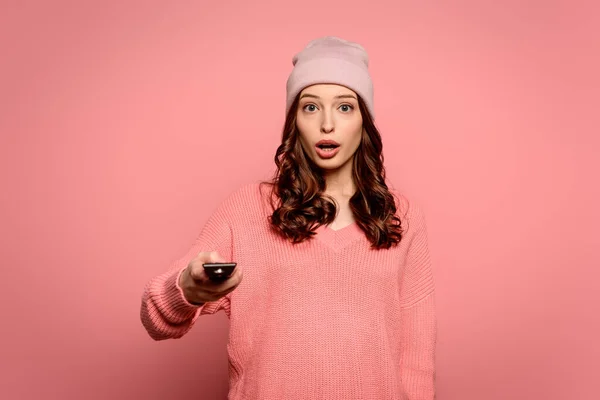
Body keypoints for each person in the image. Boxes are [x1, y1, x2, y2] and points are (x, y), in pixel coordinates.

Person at [140, 36, 437, 399]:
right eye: (311, 108)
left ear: (365, 120)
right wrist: (187, 289)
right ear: (294, 120)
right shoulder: (247, 208)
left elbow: (416, 363)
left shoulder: (403, 216)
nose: (327, 124)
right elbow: (155, 318)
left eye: (345, 108)